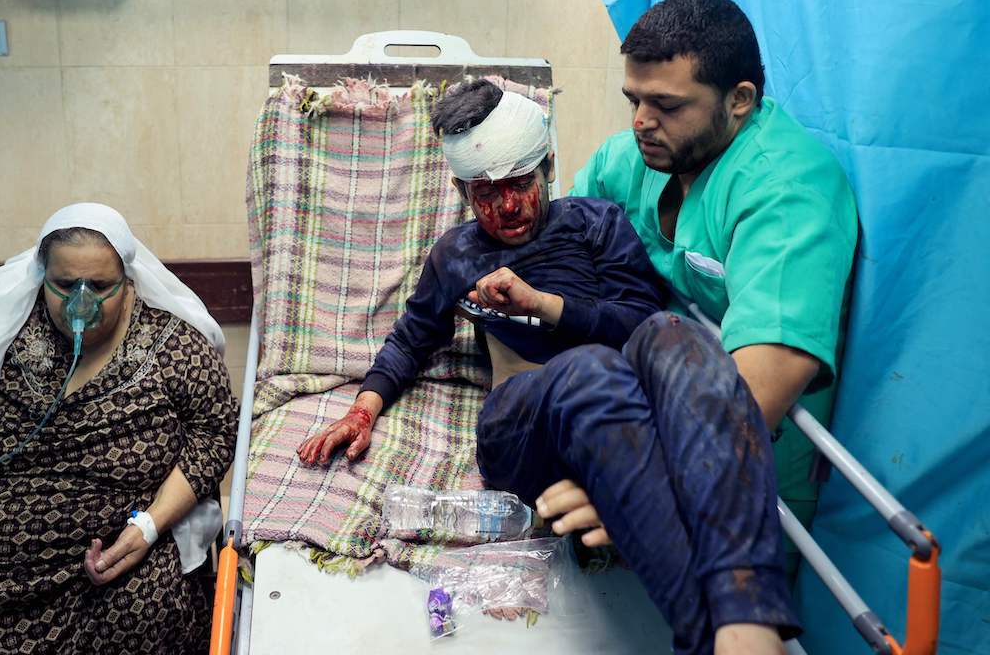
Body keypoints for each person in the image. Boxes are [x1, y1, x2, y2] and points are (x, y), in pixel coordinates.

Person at [297, 80, 800, 655]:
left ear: (547, 168)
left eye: (517, 185)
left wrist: (542, 305)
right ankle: (717, 635)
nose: (505, 207)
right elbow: (412, 340)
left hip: (615, 415)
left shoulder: (597, 224)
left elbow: (638, 322)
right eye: (484, 195)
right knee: (588, 371)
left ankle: (742, 622)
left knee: (675, 331)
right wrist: (362, 411)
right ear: (463, 193)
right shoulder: (457, 256)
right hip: (519, 425)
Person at [555, 0, 859, 578]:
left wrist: (639, 475)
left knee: (731, 607)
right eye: (634, 99)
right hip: (653, 407)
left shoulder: (788, 194)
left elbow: (763, 379)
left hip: (748, 454)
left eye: (666, 104)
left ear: (739, 100)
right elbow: (565, 242)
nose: (642, 121)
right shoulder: (636, 157)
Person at [0, 203, 239, 654]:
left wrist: (150, 528)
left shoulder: (176, 346)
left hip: (117, 553)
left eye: (99, 286)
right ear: (42, 277)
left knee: (141, 616)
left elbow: (215, 432)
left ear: (127, 282)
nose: (81, 302)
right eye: (64, 285)